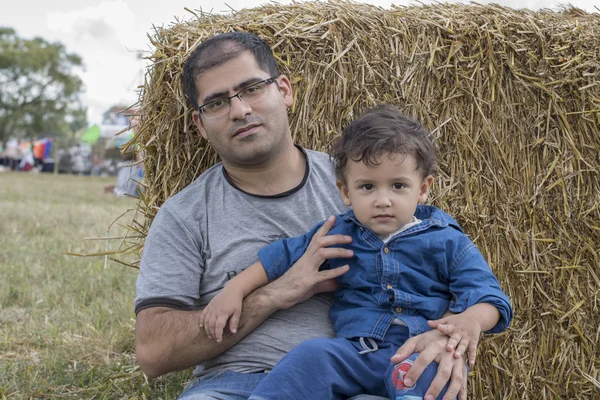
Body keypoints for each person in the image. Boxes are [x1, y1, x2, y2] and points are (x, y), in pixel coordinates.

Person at [135, 32, 474, 400]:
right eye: (216, 103)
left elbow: (444, 271)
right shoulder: (185, 215)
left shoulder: (366, 183)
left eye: (251, 88)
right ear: (201, 125)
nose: (239, 110)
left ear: (284, 90)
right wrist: (275, 293)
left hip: (353, 385)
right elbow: (153, 352)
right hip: (231, 386)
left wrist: (449, 339)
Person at [200, 105, 513, 400]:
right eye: (367, 187)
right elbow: (281, 258)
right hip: (354, 352)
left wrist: (471, 320)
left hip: (417, 350)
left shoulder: (446, 240)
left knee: (434, 372)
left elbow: (490, 296)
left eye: (398, 186)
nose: (383, 200)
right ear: (345, 191)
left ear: (423, 188)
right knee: (311, 355)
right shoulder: (339, 233)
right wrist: (234, 289)